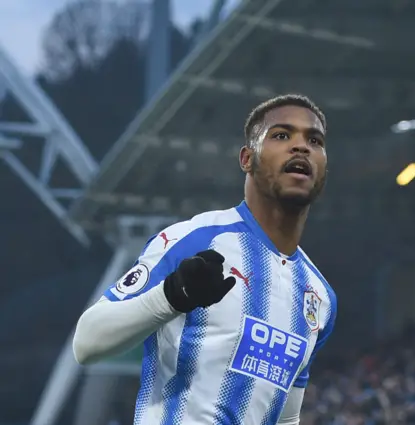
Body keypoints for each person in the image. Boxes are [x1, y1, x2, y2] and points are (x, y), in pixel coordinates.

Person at [73, 94, 338, 425]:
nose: (301, 147)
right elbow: (86, 343)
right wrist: (171, 297)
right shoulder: (196, 240)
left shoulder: (320, 297)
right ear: (247, 158)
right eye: (281, 135)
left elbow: (284, 417)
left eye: (314, 140)